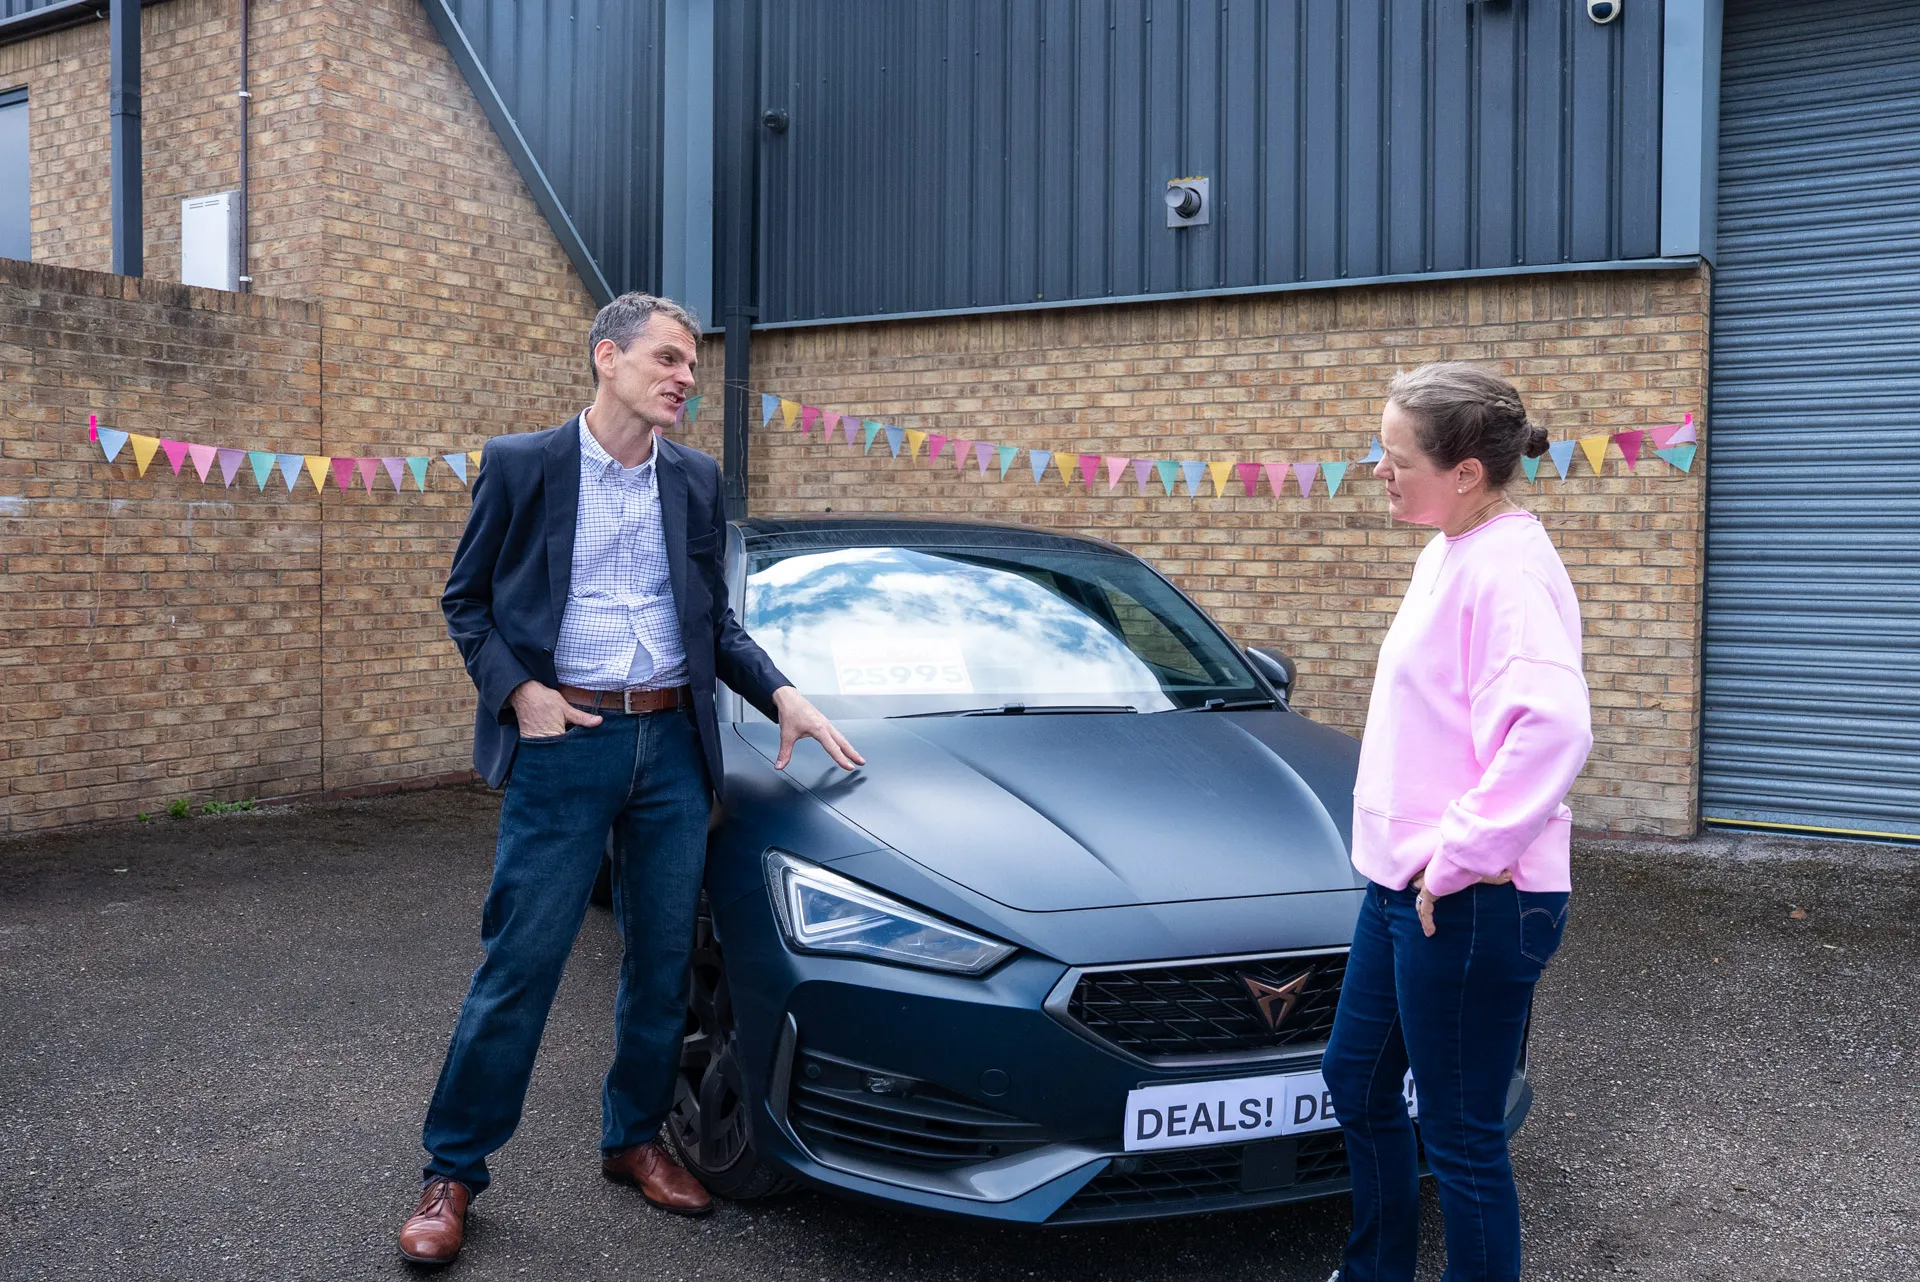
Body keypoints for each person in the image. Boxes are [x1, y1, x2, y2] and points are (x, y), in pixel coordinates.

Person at [397, 293, 863, 1266]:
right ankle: (454, 1171)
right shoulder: (524, 466)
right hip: (566, 741)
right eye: (667, 358)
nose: (685, 377)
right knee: (519, 964)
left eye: (691, 365)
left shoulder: (693, 480)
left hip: (672, 750)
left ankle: (635, 1138)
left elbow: (714, 625)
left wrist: (783, 694)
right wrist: (517, 690)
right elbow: (465, 599)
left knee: (659, 965)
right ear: (607, 359)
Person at [1320, 362, 1593, 1282]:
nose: (1380, 471)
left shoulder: (1509, 567)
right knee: (1355, 1085)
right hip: (1403, 883)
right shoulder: (1448, 548)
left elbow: (1553, 728)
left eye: (1396, 457)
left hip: (1471, 896)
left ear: (1467, 470)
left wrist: (1459, 856)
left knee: (1461, 1132)